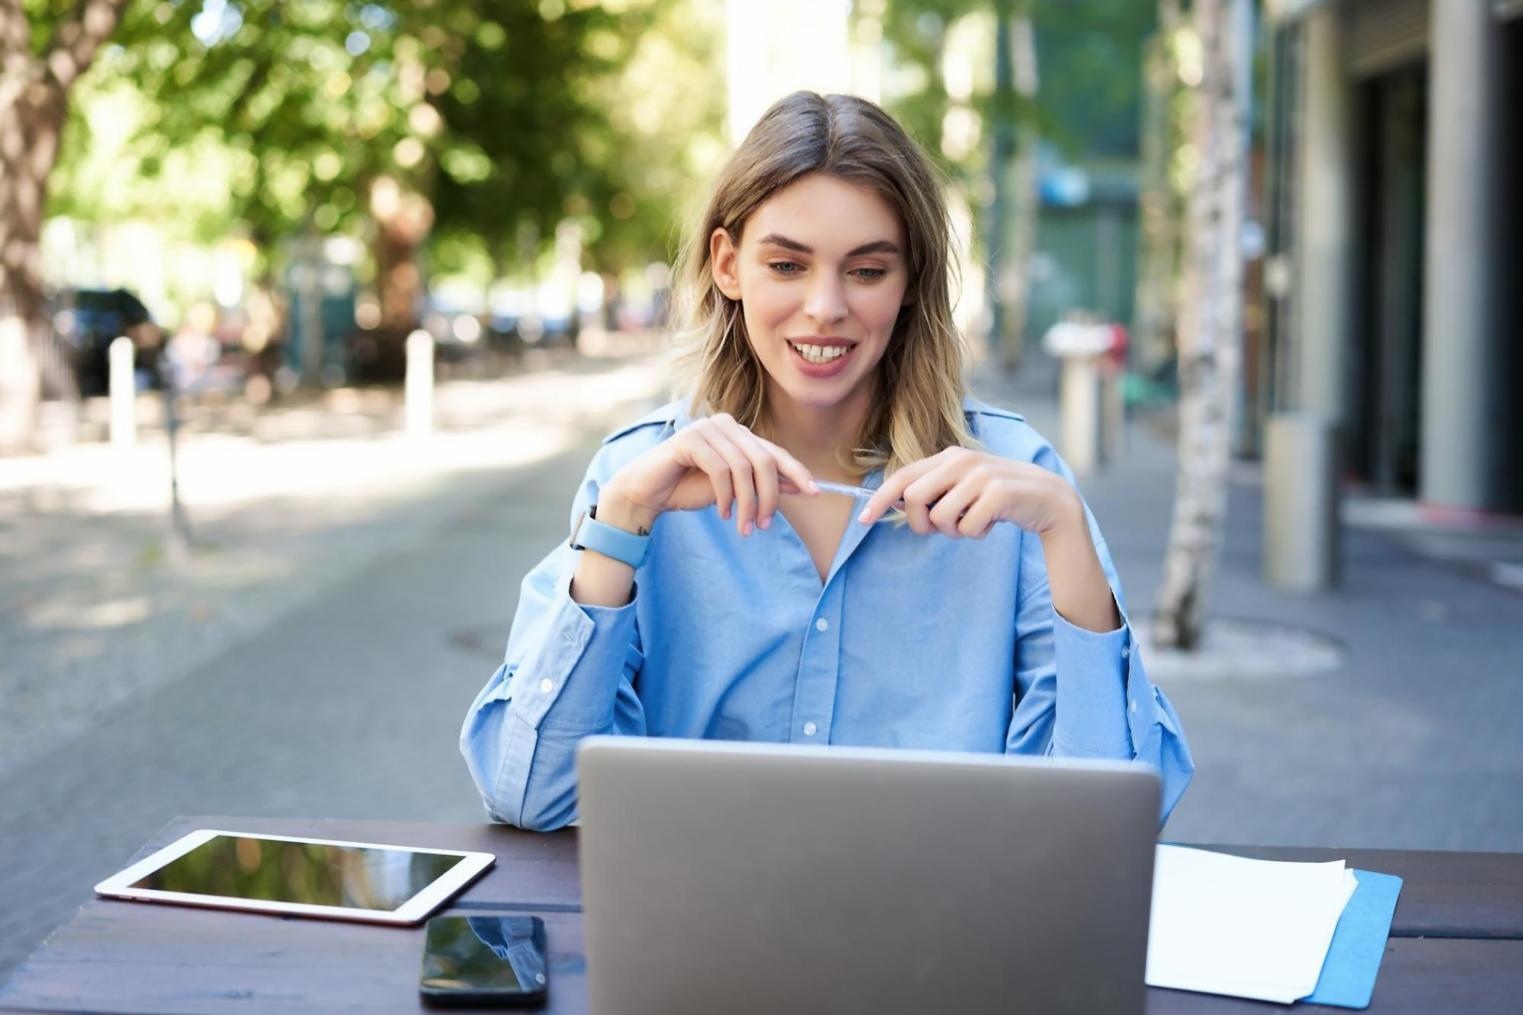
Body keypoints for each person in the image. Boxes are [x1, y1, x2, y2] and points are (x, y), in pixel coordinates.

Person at [461, 91, 1193, 832]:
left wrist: (1066, 531)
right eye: (786, 264)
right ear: (727, 264)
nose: (824, 307)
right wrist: (616, 529)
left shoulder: (1017, 481)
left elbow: (1112, 822)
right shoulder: (639, 477)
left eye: (867, 271)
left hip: (943, 936)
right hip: (697, 934)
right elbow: (533, 795)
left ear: (909, 283)